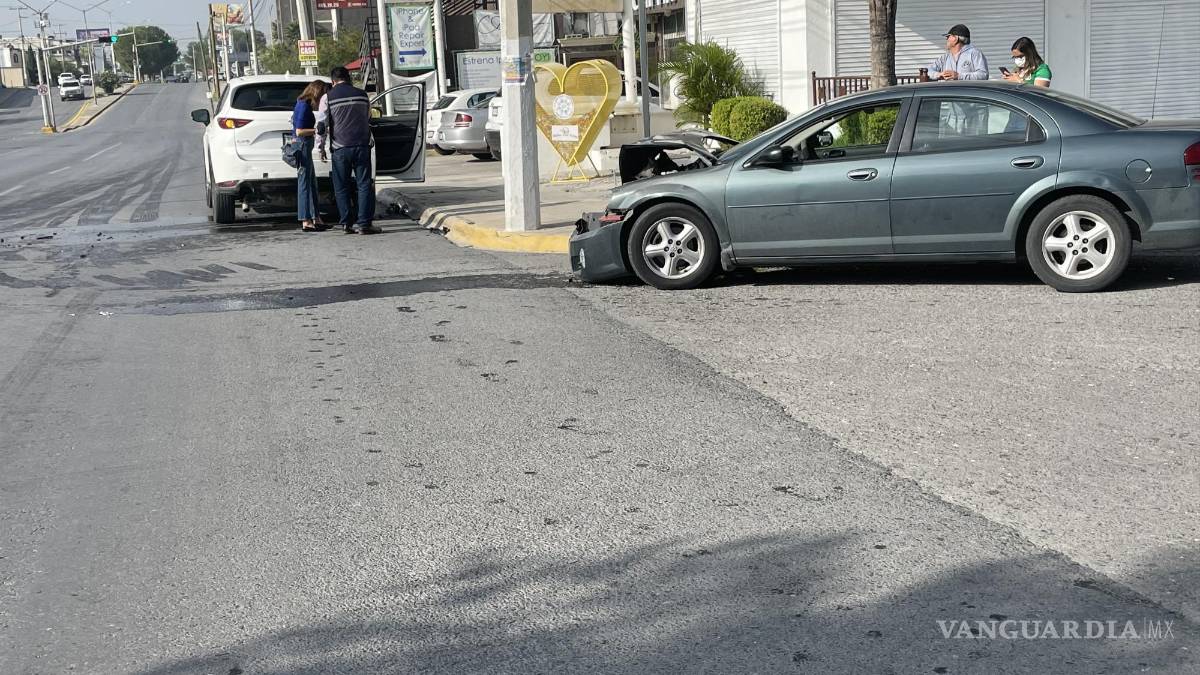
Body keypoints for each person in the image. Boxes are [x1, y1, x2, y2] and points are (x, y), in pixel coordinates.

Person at [318, 66, 380, 235]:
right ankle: (364, 224)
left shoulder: (327, 97)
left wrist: (320, 147)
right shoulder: (362, 95)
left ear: (333, 81)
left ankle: (346, 223)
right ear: (349, 78)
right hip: (362, 145)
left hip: (340, 148)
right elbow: (368, 117)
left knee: (342, 186)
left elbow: (322, 125)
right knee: (364, 184)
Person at [292, 80, 329, 232]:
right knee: (304, 183)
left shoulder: (303, 104)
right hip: (302, 144)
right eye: (322, 95)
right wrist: (315, 130)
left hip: (306, 144)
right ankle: (305, 219)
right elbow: (299, 131)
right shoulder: (303, 105)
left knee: (311, 182)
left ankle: (316, 217)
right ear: (317, 92)